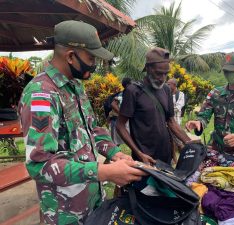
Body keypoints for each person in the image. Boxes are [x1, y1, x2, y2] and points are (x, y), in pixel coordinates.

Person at [18, 20, 145, 225]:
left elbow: (92, 128)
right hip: (65, 213)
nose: (94, 65)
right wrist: (104, 172)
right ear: (70, 56)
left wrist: (115, 153)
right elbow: (39, 164)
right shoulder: (40, 94)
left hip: (93, 203)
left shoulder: (76, 87)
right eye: (91, 58)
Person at [186, 52, 234, 168]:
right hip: (214, 150)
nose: (228, 74)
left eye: (232, 71)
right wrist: (199, 122)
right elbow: (204, 116)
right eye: (225, 71)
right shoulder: (215, 93)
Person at [116, 47, 191, 165]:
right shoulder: (133, 91)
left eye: (165, 74)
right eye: (158, 73)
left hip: (166, 155)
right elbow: (120, 125)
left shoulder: (166, 89)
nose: (162, 78)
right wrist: (139, 153)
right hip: (144, 158)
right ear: (148, 68)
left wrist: (188, 142)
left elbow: (171, 121)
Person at [110, 77, 132, 145]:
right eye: (131, 83)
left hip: (125, 120)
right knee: (116, 142)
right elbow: (113, 104)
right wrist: (122, 113)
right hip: (117, 119)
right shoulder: (122, 94)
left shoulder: (130, 93)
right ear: (128, 85)